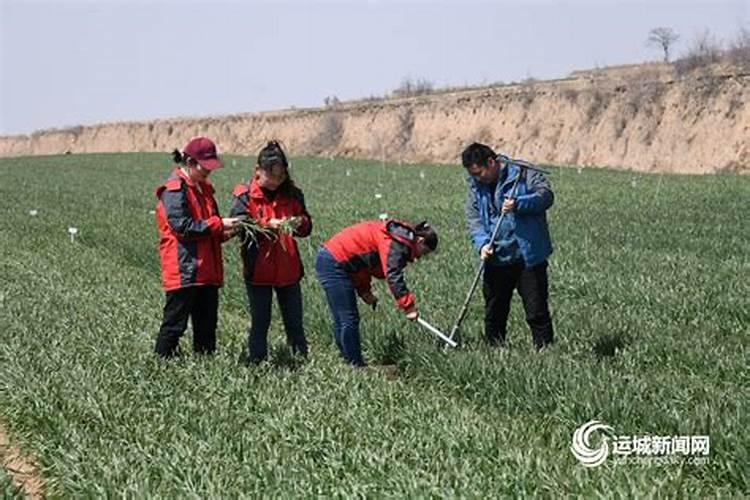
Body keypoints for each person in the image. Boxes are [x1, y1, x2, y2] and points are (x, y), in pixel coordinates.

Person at [461, 142, 555, 349]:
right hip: (496, 258)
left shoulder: (524, 174)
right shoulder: (476, 188)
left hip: (527, 256)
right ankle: (494, 354)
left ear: (491, 162)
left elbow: (546, 196)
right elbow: (474, 220)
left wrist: (520, 203)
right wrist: (482, 244)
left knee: (536, 311)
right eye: (473, 175)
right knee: (494, 313)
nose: (478, 178)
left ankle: (545, 353)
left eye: (480, 173)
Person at [154, 137, 239, 358]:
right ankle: (160, 366)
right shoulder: (174, 190)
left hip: (207, 270)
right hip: (184, 269)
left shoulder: (205, 189)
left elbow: (209, 228)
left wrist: (230, 231)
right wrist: (219, 224)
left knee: (207, 328)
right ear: (190, 162)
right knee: (174, 325)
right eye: (205, 167)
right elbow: (181, 227)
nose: (209, 172)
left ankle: (205, 371)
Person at [229, 141, 312, 363]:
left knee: (294, 322)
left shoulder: (293, 194)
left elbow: (307, 226)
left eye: (281, 176)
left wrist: (299, 222)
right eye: (272, 175)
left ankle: (301, 362)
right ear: (258, 171)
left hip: (289, 270)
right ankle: (257, 363)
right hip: (258, 272)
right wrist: (268, 223)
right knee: (260, 321)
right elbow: (238, 224)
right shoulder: (244, 195)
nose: (276, 181)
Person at [315, 219, 438, 366]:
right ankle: (355, 366)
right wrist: (408, 306)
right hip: (333, 262)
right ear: (420, 240)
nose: (418, 258)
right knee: (347, 318)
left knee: (344, 319)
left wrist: (364, 291)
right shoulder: (397, 243)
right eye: (423, 252)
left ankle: (348, 361)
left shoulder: (396, 237)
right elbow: (393, 275)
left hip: (336, 261)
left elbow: (362, 262)